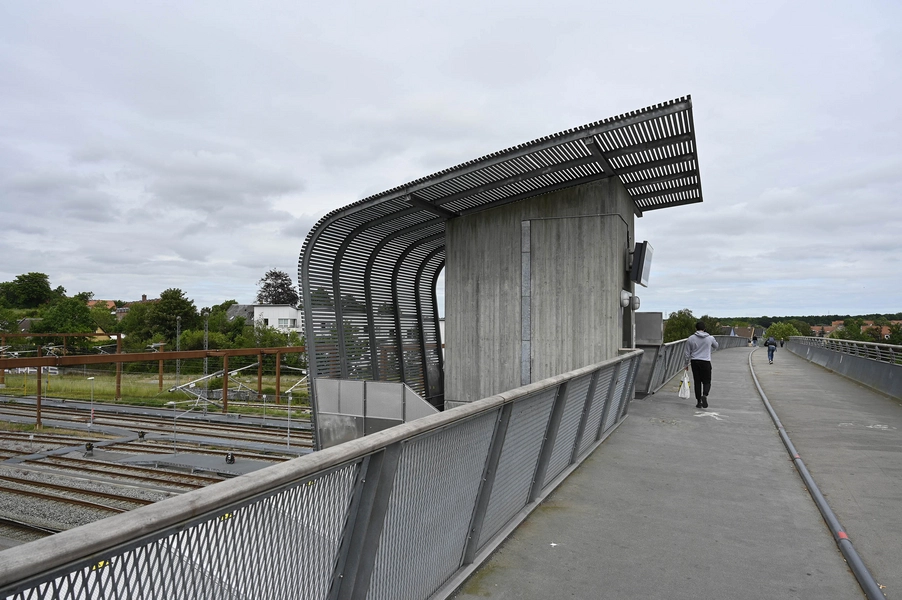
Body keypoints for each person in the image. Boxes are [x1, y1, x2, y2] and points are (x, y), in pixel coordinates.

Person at [684, 321, 719, 409]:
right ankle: (705, 394)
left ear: (696, 328)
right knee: (707, 381)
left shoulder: (691, 338)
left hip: (695, 361)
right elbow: (716, 346)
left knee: (697, 382)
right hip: (706, 361)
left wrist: (686, 364)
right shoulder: (710, 338)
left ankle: (698, 402)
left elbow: (687, 353)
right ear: (704, 328)